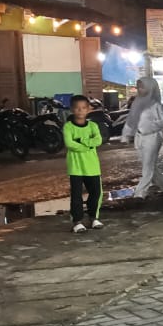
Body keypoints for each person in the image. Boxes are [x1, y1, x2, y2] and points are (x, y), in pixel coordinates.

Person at [121, 76, 163, 200]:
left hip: (152, 138)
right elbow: (131, 120)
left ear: (150, 88)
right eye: (138, 87)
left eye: (142, 87)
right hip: (140, 137)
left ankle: (140, 193)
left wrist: (148, 127)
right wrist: (126, 135)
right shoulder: (137, 103)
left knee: (147, 166)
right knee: (150, 164)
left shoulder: (155, 105)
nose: (139, 90)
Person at [64, 94, 104, 233]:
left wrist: (81, 141)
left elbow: (98, 140)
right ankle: (77, 221)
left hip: (92, 166)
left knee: (96, 193)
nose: (80, 110)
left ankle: (93, 218)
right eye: (77, 108)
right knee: (76, 196)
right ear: (72, 109)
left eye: (83, 108)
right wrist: (89, 145)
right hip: (75, 167)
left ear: (88, 109)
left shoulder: (93, 126)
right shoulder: (68, 127)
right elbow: (69, 144)